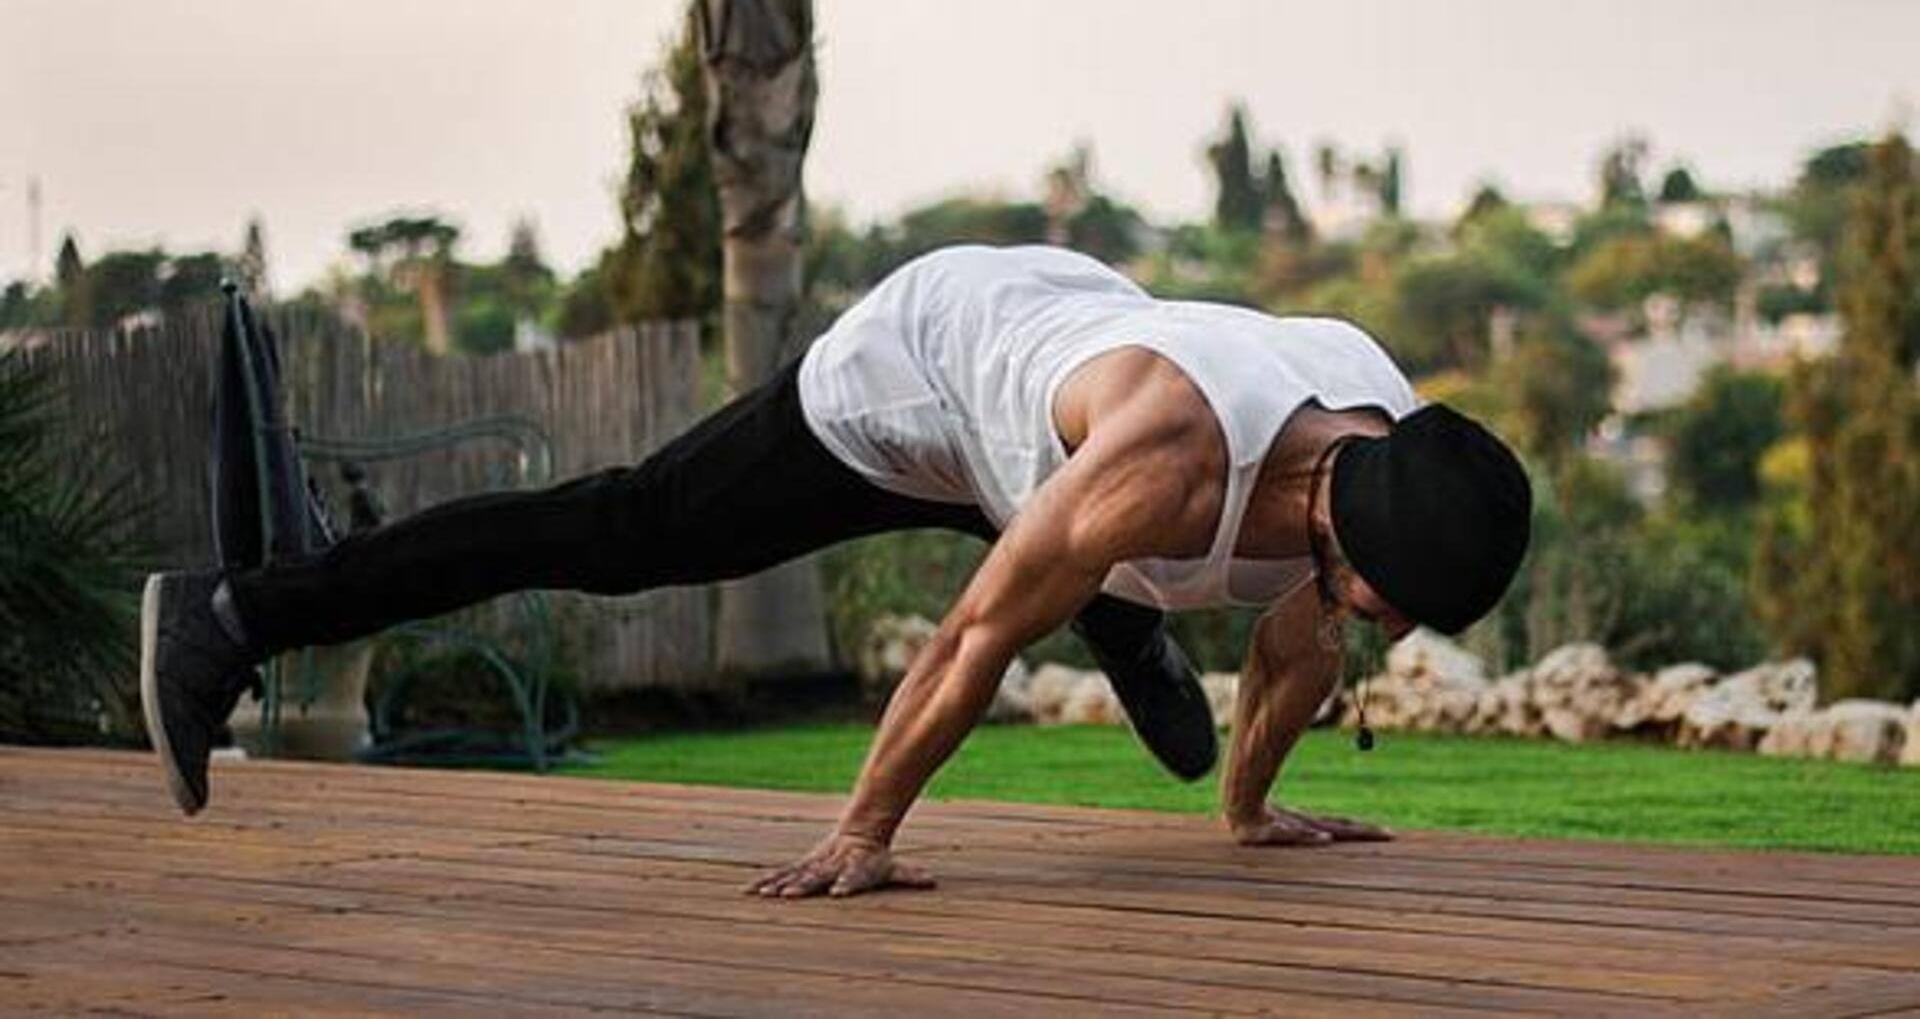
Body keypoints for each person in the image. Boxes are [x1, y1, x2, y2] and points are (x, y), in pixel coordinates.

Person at [141, 244, 1530, 899]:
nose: (1384, 626)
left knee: (1134, 643)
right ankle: (240, 609)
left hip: (1068, 368)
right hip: (921, 378)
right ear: (1331, 511)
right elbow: (973, 639)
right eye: (1381, 600)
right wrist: (863, 832)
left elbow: (1303, 633)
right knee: (624, 532)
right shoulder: (1165, 458)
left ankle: (1121, 617)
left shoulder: (1388, 436)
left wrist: (1251, 810)